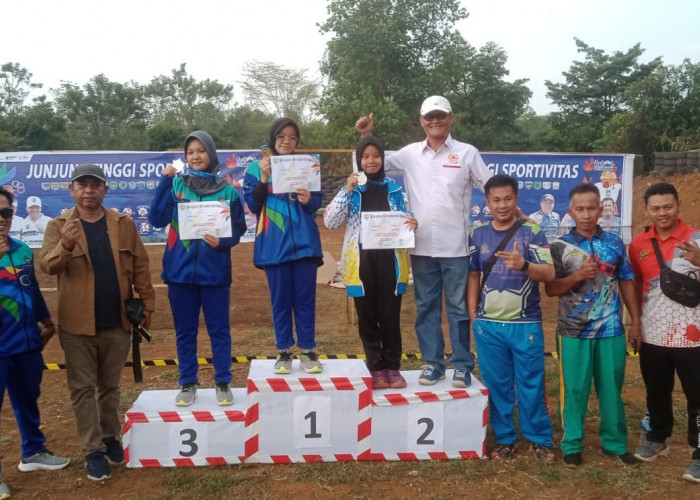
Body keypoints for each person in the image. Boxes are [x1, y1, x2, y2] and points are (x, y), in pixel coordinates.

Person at [356, 96, 492, 388]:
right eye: (429, 117)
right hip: (419, 247)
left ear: (450, 118)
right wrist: (367, 136)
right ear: (421, 121)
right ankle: (433, 363)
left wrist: (513, 214)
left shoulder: (467, 153)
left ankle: (462, 364)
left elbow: (491, 186)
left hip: (456, 247)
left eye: (440, 116)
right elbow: (372, 161)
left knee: (457, 308)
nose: (435, 121)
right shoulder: (409, 154)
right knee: (426, 307)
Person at [39, 164, 155, 482]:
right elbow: (47, 266)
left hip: (117, 321)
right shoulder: (58, 225)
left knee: (110, 386)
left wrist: (148, 303)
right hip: (77, 326)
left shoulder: (123, 223)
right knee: (81, 389)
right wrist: (64, 244)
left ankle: (111, 438)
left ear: (104, 190)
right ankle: (92, 450)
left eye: (95, 185)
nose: (89, 190)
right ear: (72, 189)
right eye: (82, 185)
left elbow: (141, 266)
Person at [545, 183, 641, 467]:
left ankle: (615, 443)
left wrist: (635, 322)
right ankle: (572, 444)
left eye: (591, 208)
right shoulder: (559, 247)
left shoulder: (613, 243)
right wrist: (577, 276)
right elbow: (551, 290)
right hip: (573, 332)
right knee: (574, 390)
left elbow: (626, 281)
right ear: (570, 211)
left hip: (611, 330)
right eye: (580, 209)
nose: (586, 214)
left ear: (601, 209)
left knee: (611, 389)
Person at [149, 131, 246, 407]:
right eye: (190, 151)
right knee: (185, 330)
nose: (196, 156)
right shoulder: (176, 185)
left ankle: (223, 381)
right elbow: (156, 219)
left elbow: (237, 229)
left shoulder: (227, 189)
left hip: (214, 273)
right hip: (180, 273)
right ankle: (188, 382)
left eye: (201, 151)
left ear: (211, 154)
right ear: (185, 157)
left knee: (219, 329)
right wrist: (164, 181)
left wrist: (222, 242)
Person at [466, 174, 555, 462]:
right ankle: (504, 439)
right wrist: (473, 316)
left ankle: (540, 439)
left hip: (525, 324)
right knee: (497, 384)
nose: (502, 205)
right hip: (488, 326)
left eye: (507, 199)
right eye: (496, 200)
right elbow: (473, 275)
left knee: (531, 382)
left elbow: (549, 274)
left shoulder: (533, 232)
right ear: (487, 203)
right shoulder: (477, 234)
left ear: (516, 200)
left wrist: (524, 264)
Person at [324, 136, 417, 389]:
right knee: (367, 316)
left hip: (391, 261)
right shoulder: (353, 191)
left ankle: (393, 367)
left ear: (383, 158)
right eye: (365, 156)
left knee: (389, 316)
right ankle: (376, 367)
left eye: (376, 155)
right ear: (359, 160)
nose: (371, 160)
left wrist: (412, 224)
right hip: (360, 262)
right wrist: (347, 190)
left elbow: (405, 221)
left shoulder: (395, 190)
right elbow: (330, 221)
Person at [0, 188, 70, 499]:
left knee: (28, 397)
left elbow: (32, 292)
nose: (1, 219)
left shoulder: (23, 251)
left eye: (4, 212)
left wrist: (46, 322)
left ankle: (33, 451)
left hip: (26, 343)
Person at [628, 182, 700, 483]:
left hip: (692, 334)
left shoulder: (696, 238)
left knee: (697, 395)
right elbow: (632, 284)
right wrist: (634, 323)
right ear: (647, 210)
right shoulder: (639, 244)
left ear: (678, 206)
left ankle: (698, 453)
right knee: (656, 389)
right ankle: (657, 438)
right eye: (655, 208)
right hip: (654, 331)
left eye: (667, 206)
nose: (662, 213)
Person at [244, 118, 324, 374]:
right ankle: (284, 352)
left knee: (305, 300)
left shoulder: (307, 165)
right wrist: (265, 177)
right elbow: (254, 205)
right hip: (273, 245)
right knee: (280, 301)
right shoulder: (256, 169)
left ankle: (309, 351)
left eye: (292, 137)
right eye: (281, 137)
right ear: (272, 139)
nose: (286, 141)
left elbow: (316, 205)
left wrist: (309, 199)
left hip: (305, 245)